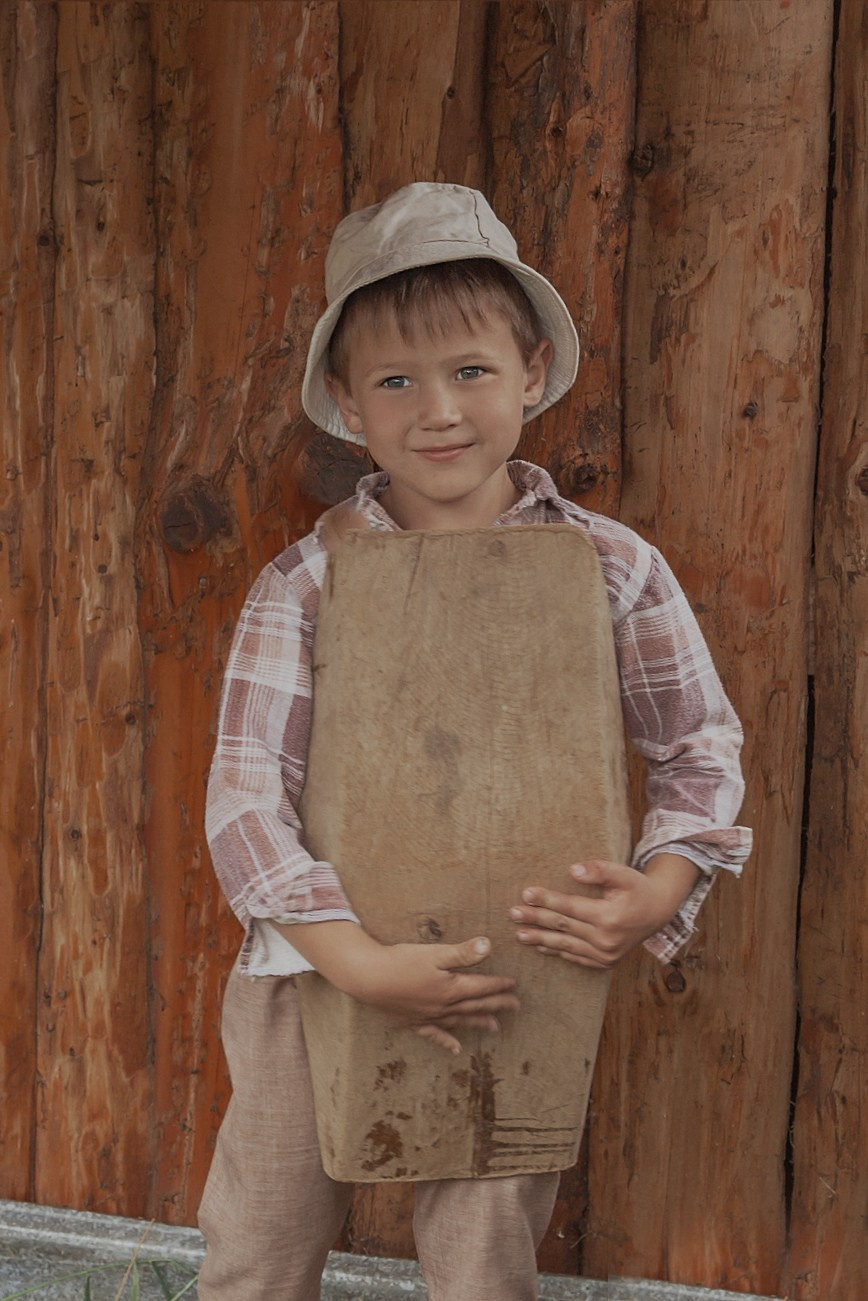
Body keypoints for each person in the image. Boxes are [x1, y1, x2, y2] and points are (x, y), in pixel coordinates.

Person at [198, 182, 752, 1300]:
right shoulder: (306, 584)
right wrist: (356, 959)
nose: (438, 410)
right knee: (261, 1236)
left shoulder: (610, 569)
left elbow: (697, 743)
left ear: (532, 372)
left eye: (470, 370)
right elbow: (246, 798)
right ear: (348, 402)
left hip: (513, 964)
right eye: (396, 381)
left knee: (484, 1257)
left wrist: (657, 889)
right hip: (318, 967)